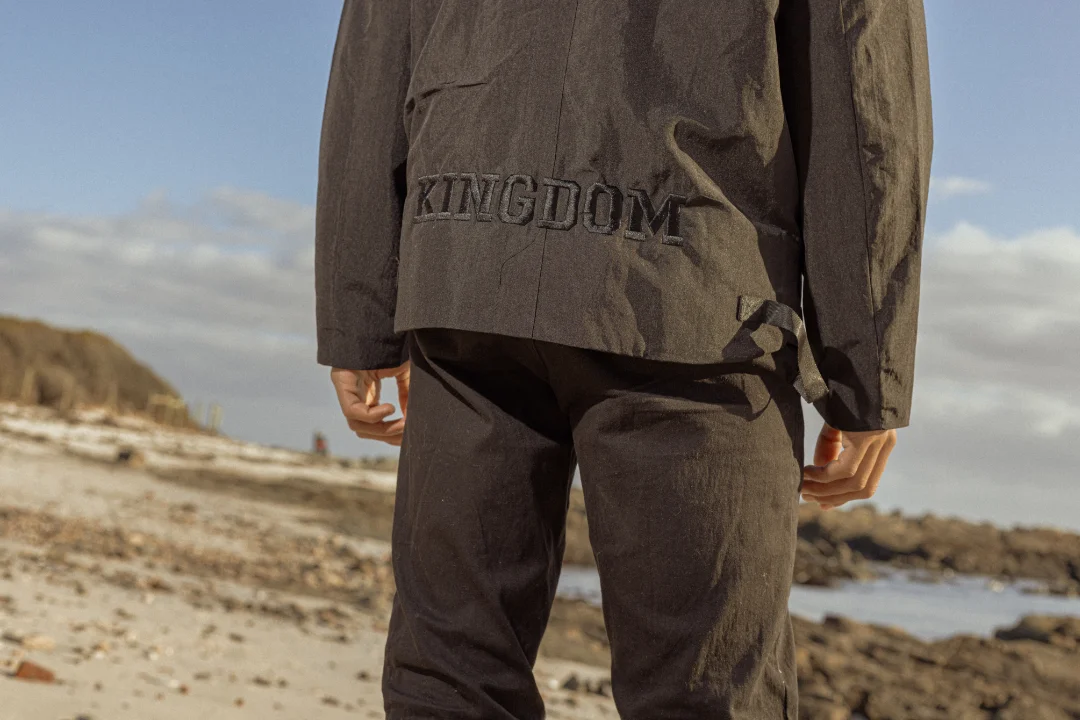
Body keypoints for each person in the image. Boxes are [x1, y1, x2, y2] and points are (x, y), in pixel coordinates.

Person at [314, 1, 932, 718]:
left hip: (467, 270)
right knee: (705, 694)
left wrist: (361, 311)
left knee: (450, 680)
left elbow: (373, 47)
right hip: (692, 300)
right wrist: (865, 371)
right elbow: (864, 92)